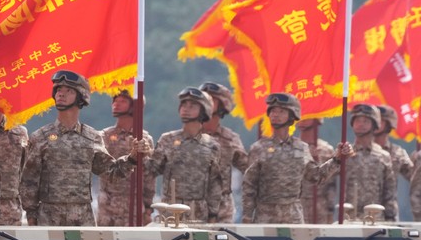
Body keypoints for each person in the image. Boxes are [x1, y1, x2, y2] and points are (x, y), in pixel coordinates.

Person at [20, 71, 148, 226]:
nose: (61, 94)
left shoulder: (91, 137)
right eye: (59, 90)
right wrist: (31, 217)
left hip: (82, 217)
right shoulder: (40, 137)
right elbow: (28, 182)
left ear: (81, 97)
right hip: (48, 216)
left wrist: (132, 157)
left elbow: (112, 172)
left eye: (69, 91)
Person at [241, 93, 347, 224]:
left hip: (293, 216)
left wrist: (336, 159)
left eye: (281, 111)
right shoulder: (258, 148)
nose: (275, 114)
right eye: (273, 111)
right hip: (265, 215)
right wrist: (246, 216)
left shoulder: (301, 147)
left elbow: (315, 176)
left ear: (292, 115)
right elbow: (249, 185)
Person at [144, 87, 222, 223]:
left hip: (199, 213)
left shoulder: (212, 145)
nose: (186, 109)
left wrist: (213, 214)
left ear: (204, 111)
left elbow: (215, 183)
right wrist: (141, 154)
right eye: (184, 105)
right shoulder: (167, 139)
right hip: (170, 210)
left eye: (192, 106)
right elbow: (151, 170)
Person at [98, 89, 156, 226]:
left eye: (122, 101)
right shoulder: (103, 136)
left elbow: (149, 175)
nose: (116, 104)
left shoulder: (144, 139)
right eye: (115, 101)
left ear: (135, 106)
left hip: (135, 206)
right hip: (108, 207)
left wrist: (148, 208)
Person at [199, 82, 250, 222]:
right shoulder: (188, 136)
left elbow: (250, 171)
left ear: (223, 105)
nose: (205, 102)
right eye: (203, 98)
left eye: (211, 99)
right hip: (191, 206)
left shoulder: (230, 139)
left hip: (222, 210)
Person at [344, 103, 397, 222]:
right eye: (357, 121)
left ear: (375, 125)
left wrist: (391, 217)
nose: (360, 124)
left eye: (365, 121)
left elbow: (390, 191)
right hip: (349, 217)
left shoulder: (383, 156)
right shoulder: (344, 154)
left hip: (376, 218)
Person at [296, 118, 338, 224]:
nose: (302, 119)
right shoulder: (293, 147)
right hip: (297, 205)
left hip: (320, 207)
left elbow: (331, 184)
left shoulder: (326, 149)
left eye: (307, 116)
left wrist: (330, 211)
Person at [374, 105, 414, 214]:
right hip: (357, 214)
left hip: (388, 214)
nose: (375, 123)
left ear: (389, 124)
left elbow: (414, 177)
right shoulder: (357, 150)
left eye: (380, 120)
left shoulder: (397, 153)